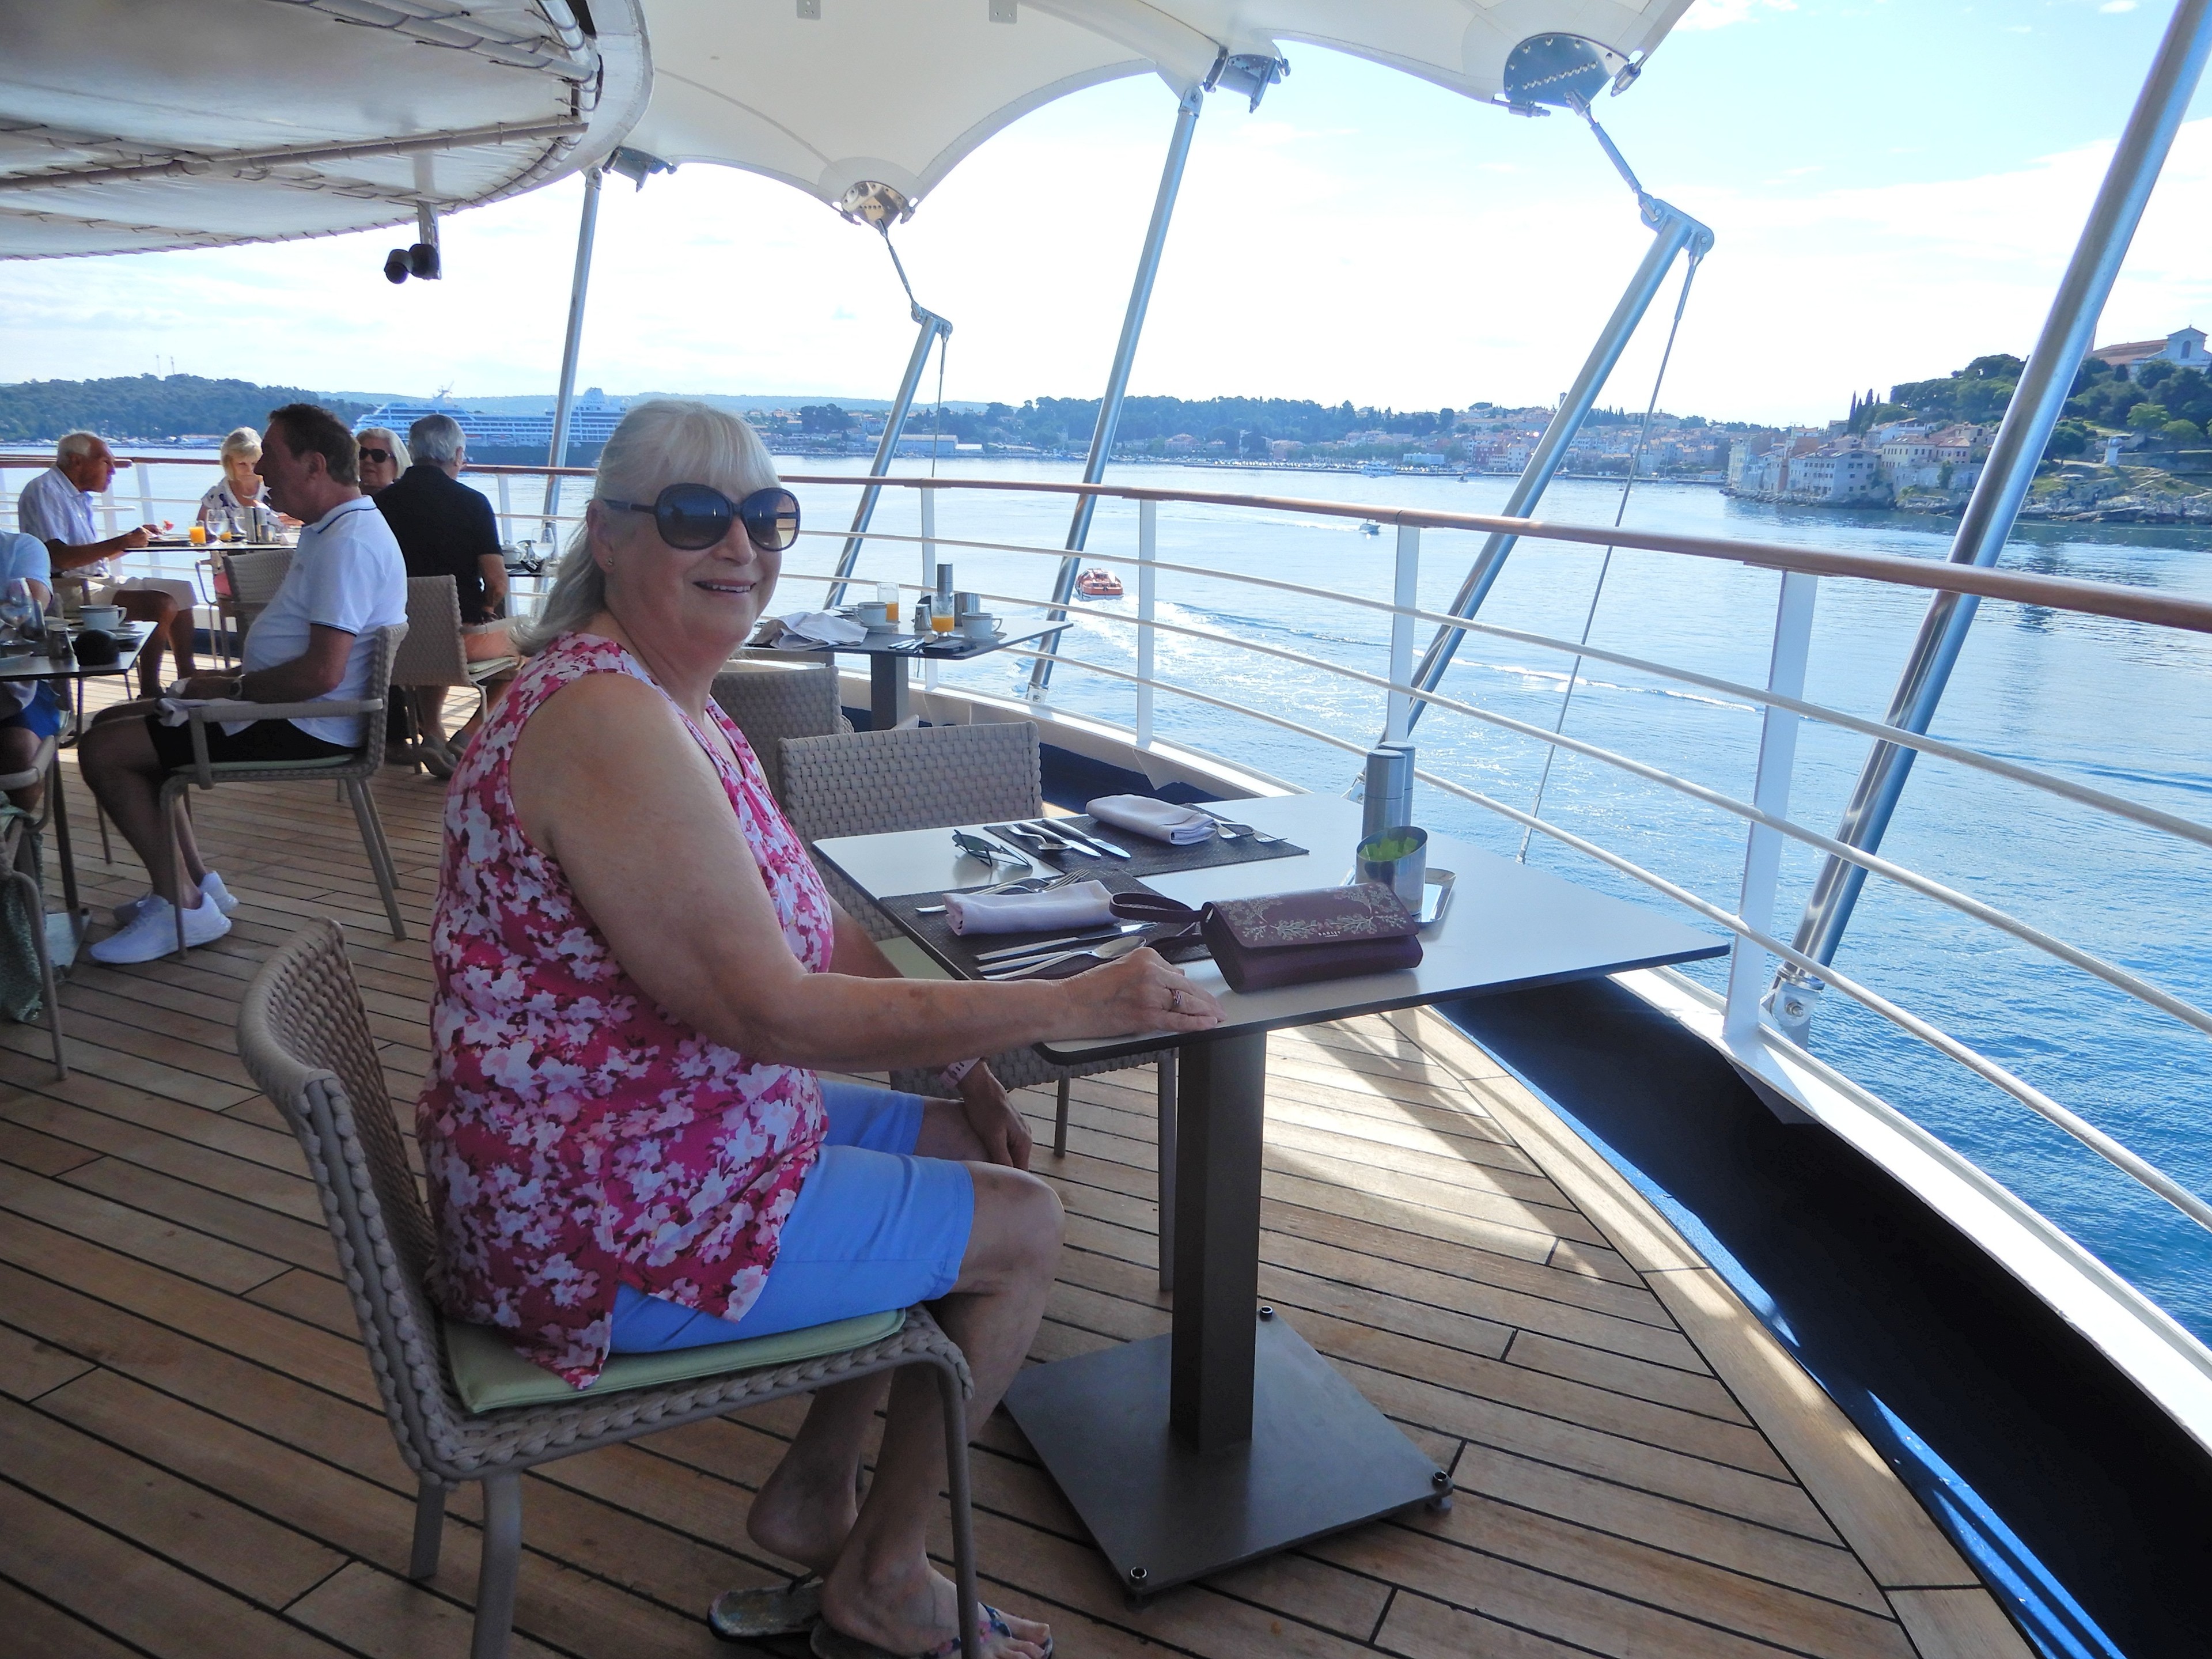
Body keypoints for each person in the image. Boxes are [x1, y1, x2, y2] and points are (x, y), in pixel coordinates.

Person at [415, 399, 1221, 1659]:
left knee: (968, 1139)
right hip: (590, 1216)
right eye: (695, 514)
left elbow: (816, 945)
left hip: (643, 1133)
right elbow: (770, 1010)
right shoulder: (605, 720)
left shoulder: (674, 702)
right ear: (609, 536)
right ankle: (887, 1575)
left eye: (765, 515)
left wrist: (967, 1060)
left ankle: (812, 1492)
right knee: (1027, 1228)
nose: (740, 544)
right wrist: (1070, 1004)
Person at [77, 404, 407, 964]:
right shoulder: (338, 528)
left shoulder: (349, 543)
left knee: (105, 750)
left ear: (314, 466)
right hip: (290, 709)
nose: (261, 475)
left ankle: (181, 905)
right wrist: (227, 679)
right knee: (115, 720)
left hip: (305, 725)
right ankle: (197, 886)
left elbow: (321, 674)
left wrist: (230, 691)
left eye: (272, 459)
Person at [373, 412, 513, 771]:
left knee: (429, 635)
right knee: (529, 652)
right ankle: (467, 737)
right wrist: (487, 607)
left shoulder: (380, 504)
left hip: (393, 640)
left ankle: (432, 734)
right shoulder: (472, 503)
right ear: (457, 454)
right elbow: (497, 581)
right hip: (456, 639)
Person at [16, 431, 198, 699]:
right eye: (106, 462)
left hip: (91, 581)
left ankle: (188, 678)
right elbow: (58, 559)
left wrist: (130, 543)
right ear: (77, 461)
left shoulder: (79, 498)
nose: (113, 469)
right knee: (160, 604)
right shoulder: (44, 490)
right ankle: (150, 692)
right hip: (66, 590)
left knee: (182, 590)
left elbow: (88, 557)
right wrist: (120, 541)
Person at [0, 529, 63, 809]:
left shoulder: (19, 547)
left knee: (19, 752)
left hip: (16, 683)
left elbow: (30, 605)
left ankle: (21, 841)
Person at [196, 426, 279, 536]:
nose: (250, 470)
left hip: (276, 552)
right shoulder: (216, 496)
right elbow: (201, 536)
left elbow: (300, 526)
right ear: (229, 464)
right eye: (242, 464)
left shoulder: (279, 490)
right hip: (232, 553)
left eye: (254, 463)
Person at [355, 426, 407, 496]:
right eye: (362, 453)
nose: (368, 460)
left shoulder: (408, 501)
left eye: (379, 455)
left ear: (397, 463)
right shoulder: (342, 498)